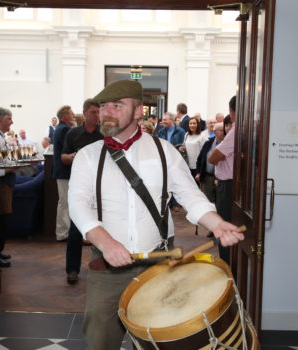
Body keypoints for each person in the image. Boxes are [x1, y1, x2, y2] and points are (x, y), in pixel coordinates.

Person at [68, 80, 244, 350]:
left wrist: (217, 223)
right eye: (103, 106)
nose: (107, 112)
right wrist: (105, 243)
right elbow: (79, 204)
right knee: (98, 340)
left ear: (138, 111)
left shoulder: (165, 152)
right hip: (108, 267)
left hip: (160, 264)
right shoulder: (88, 156)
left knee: (164, 341)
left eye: (117, 105)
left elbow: (191, 196)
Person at [61, 99, 103, 284]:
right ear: (85, 113)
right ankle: (72, 270)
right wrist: (72, 157)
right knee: (75, 230)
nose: (97, 115)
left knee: (105, 227)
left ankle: (105, 267)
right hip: (80, 187)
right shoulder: (73, 133)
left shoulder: (105, 134)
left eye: (99, 112)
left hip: (103, 186)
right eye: (94, 112)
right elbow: (62, 157)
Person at [208, 96, 236, 265]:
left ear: (232, 111)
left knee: (224, 227)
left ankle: (227, 266)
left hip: (229, 185)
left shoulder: (236, 130)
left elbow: (213, 157)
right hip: (230, 183)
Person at [0, 107, 17, 268]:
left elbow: (2, 160)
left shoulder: (0, 138)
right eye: (9, 119)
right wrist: (13, 167)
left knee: (3, 220)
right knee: (0, 221)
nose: (11, 122)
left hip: (5, 183)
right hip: (1, 184)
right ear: (1, 120)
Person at [53, 105, 75, 241]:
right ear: (64, 115)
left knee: (64, 202)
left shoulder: (60, 128)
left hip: (62, 171)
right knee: (65, 202)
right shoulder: (64, 129)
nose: (73, 115)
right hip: (64, 170)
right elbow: (69, 148)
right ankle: (62, 233)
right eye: (71, 113)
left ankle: (63, 232)